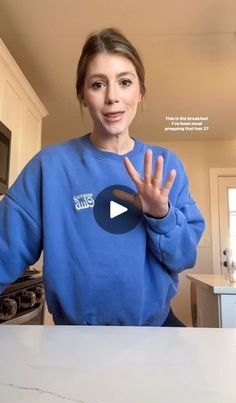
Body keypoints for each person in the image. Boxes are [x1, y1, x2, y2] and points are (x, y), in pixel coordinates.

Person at [0, 28, 205, 326]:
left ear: (140, 91)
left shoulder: (164, 165)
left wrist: (162, 214)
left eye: (124, 82)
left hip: (155, 331)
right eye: (98, 84)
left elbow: (184, 257)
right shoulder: (50, 167)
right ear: (83, 95)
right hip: (76, 341)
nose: (112, 97)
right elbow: (5, 247)